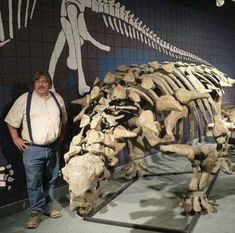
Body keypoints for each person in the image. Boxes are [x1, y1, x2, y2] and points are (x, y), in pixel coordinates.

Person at [5, 71, 67, 229]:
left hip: (53, 148)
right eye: (37, 81)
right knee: (34, 183)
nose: (41, 84)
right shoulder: (24, 100)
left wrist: (60, 136)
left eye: (44, 81)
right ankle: (35, 213)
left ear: (49, 84)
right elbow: (11, 122)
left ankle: (48, 208)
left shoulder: (57, 98)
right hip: (32, 150)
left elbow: (64, 120)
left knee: (51, 180)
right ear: (33, 84)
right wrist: (16, 139)